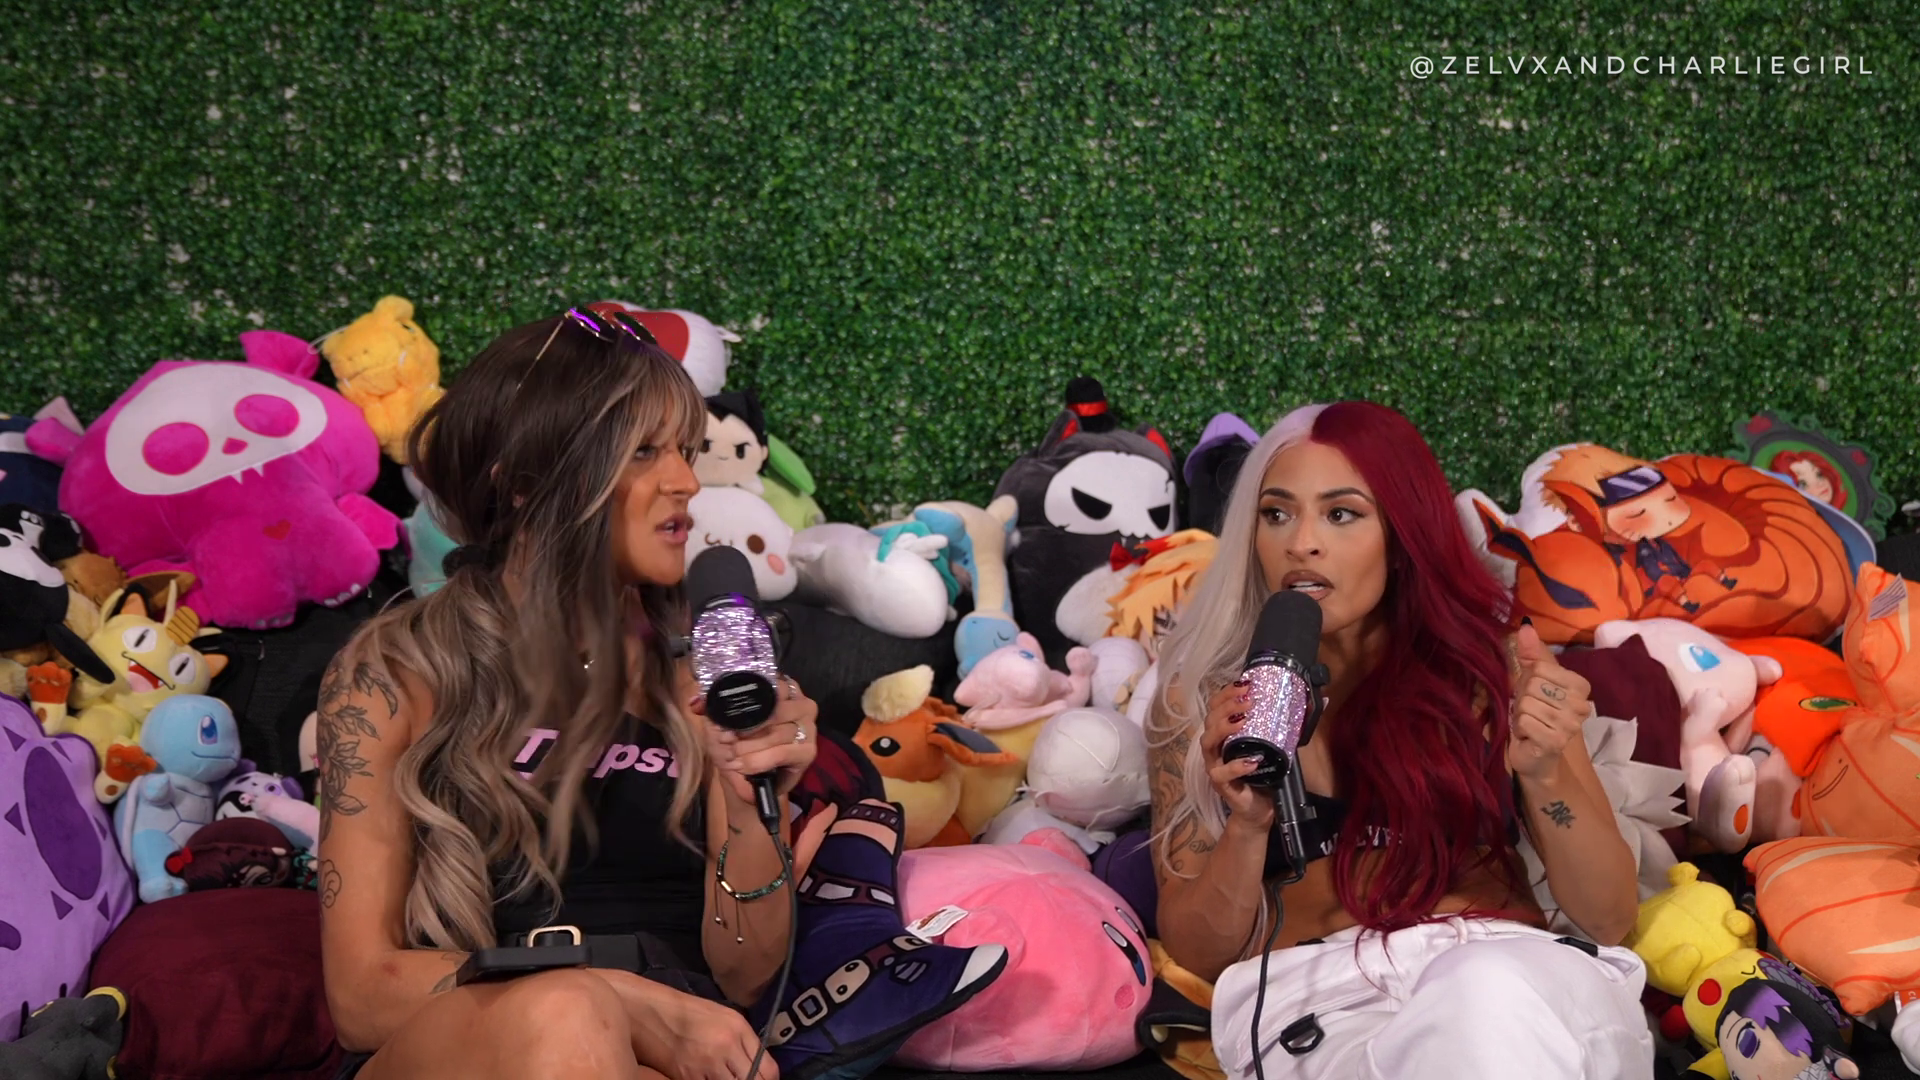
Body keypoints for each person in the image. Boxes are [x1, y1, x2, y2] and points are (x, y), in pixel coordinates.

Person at [317, 307, 829, 1080]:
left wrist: (750, 803)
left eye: (685, 449)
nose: (686, 481)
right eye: (643, 452)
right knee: (566, 1012)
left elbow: (746, 976)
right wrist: (617, 997)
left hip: (663, 1054)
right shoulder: (397, 671)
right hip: (466, 1045)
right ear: (526, 482)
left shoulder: (704, 670)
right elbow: (360, 996)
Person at [1147, 401, 1654, 1080]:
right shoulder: (1203, 699)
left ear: (1402, 535)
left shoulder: (1496, 670)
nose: (1302, 543)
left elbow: (1609, 916)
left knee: (1482, 992)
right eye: (1276, 514)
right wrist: (1247, 825)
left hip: (1511, 972)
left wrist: (1545, 772)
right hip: (1321, 1005)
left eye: (1341, 513)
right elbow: (1200, 952)